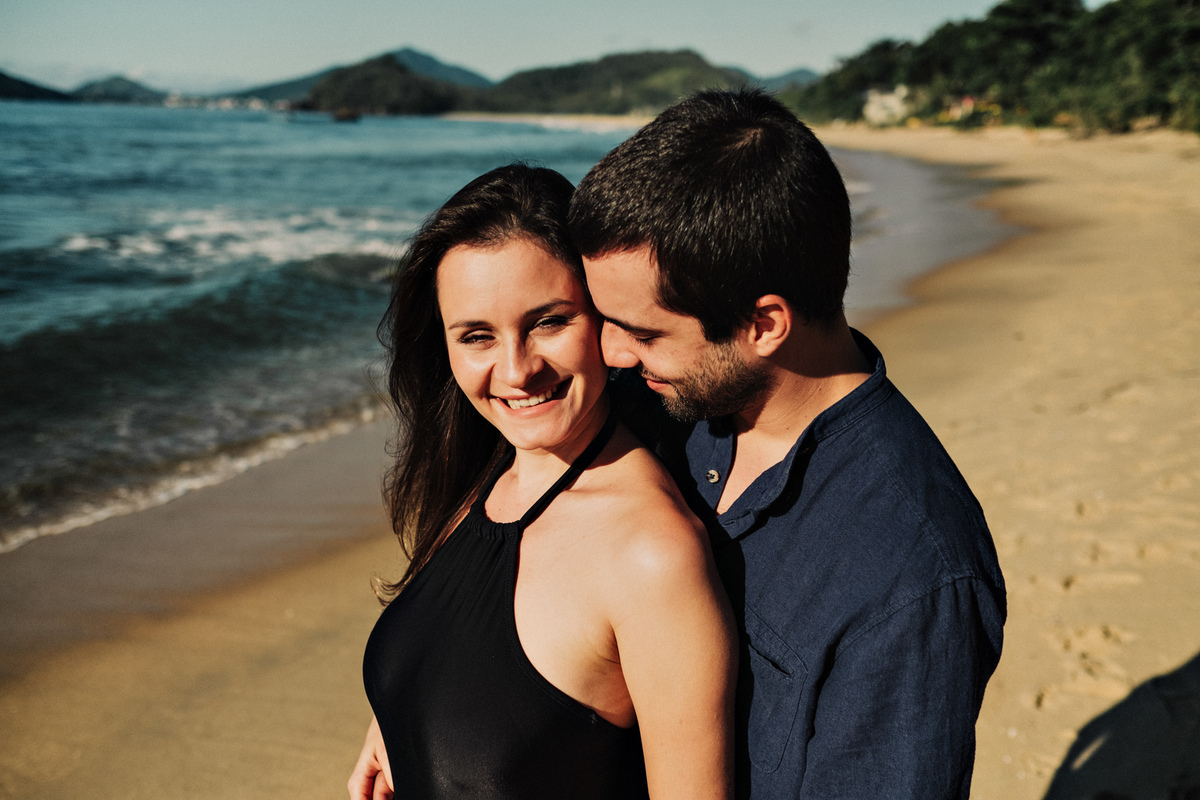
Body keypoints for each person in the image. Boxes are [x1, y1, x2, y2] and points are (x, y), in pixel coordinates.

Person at [568, 88, 1007, 799]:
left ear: (763, 324)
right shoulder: (674, 404)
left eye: (645, 333)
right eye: (604, 319)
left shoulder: (910, 573)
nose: (612, 355)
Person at [348, 164, 736, 800]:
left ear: (604, 318)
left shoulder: (649, 556)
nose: (517, 371)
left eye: (549, 322)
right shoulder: (493, 472)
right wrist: (404, 717)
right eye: (477, 336)